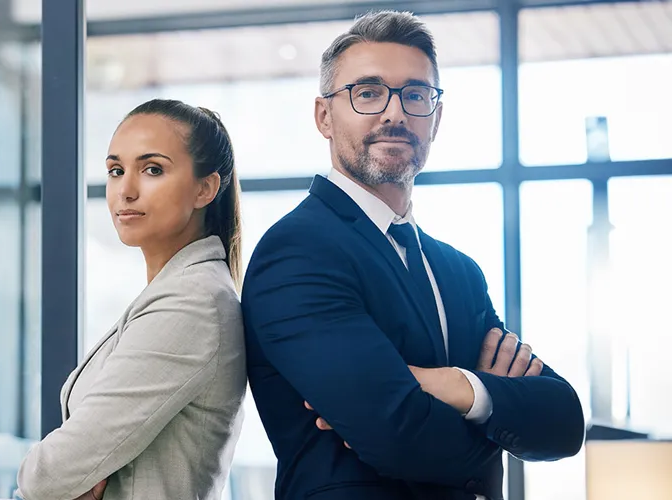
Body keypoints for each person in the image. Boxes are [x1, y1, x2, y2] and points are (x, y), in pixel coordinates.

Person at [241, 10, 585, 500]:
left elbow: (564, 422)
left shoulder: (459, 272)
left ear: (436, 118)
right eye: (368, 93)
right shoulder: (296, 252)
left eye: (416, 95)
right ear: (324, 116)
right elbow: (397, 436)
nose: (395, 113)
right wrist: (494, 418)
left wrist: (456, 386)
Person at [15, 99, 247, 500]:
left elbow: (47, 476)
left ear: (205, 188)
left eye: (153, 169)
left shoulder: (192, 304)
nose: (126, 190)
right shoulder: (174, 291)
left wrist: (59, 478)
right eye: (116, 171)